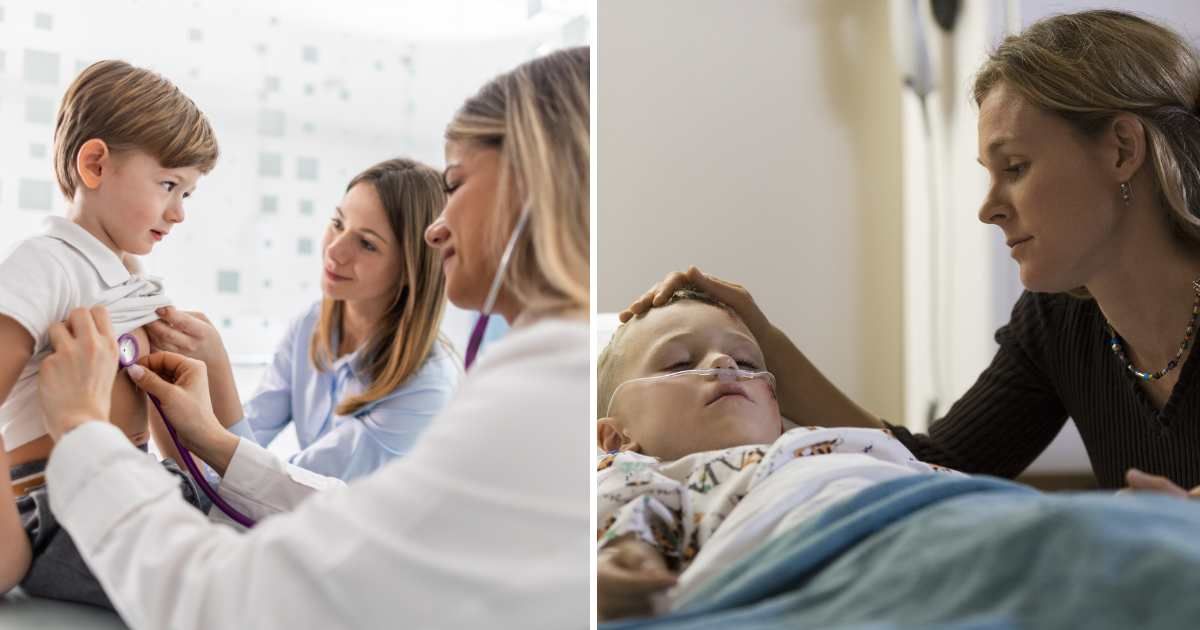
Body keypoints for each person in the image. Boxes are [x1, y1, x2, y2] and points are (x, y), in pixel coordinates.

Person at [35, 46, 589, 629]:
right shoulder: (312, 327)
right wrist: (206, 437)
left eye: (455, 184)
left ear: (535, 189)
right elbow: (351, 518)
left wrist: (82, 431)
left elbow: (231, 600)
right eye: (337, 222)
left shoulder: (523, 397)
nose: (436, 228)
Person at [622, 10, 1200, 493]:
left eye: (1016, 168)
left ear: (1122, 149)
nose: (989, 208)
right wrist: (763, 343)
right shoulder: (1059, 324)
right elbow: (933, 469)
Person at [0, 60, 218, 605]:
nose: (179, 213)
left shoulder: (129, 277)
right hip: (58, 506)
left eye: (187, 193)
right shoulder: (44, 265)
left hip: (126, 483)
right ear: (94, 164)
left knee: (247, 541)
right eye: (168, 184)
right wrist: (8, 549)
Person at [596, 290, 955, 620]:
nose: (725, 362)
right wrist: (617, 562)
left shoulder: (836, 443)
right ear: (616, 437)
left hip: (937, 517)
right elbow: (623, 519)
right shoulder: (644, 472)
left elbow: (934, 470)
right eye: (679, 363)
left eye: (749, 363)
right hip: (822, 567)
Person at [147, 158, 459, 481]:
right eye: (338, 223)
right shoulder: (311, 324)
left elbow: (288, 492)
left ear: (411, 268)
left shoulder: (427, 388)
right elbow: (249, 434)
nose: (335, 251)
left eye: (367, 244)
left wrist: (217, 368)